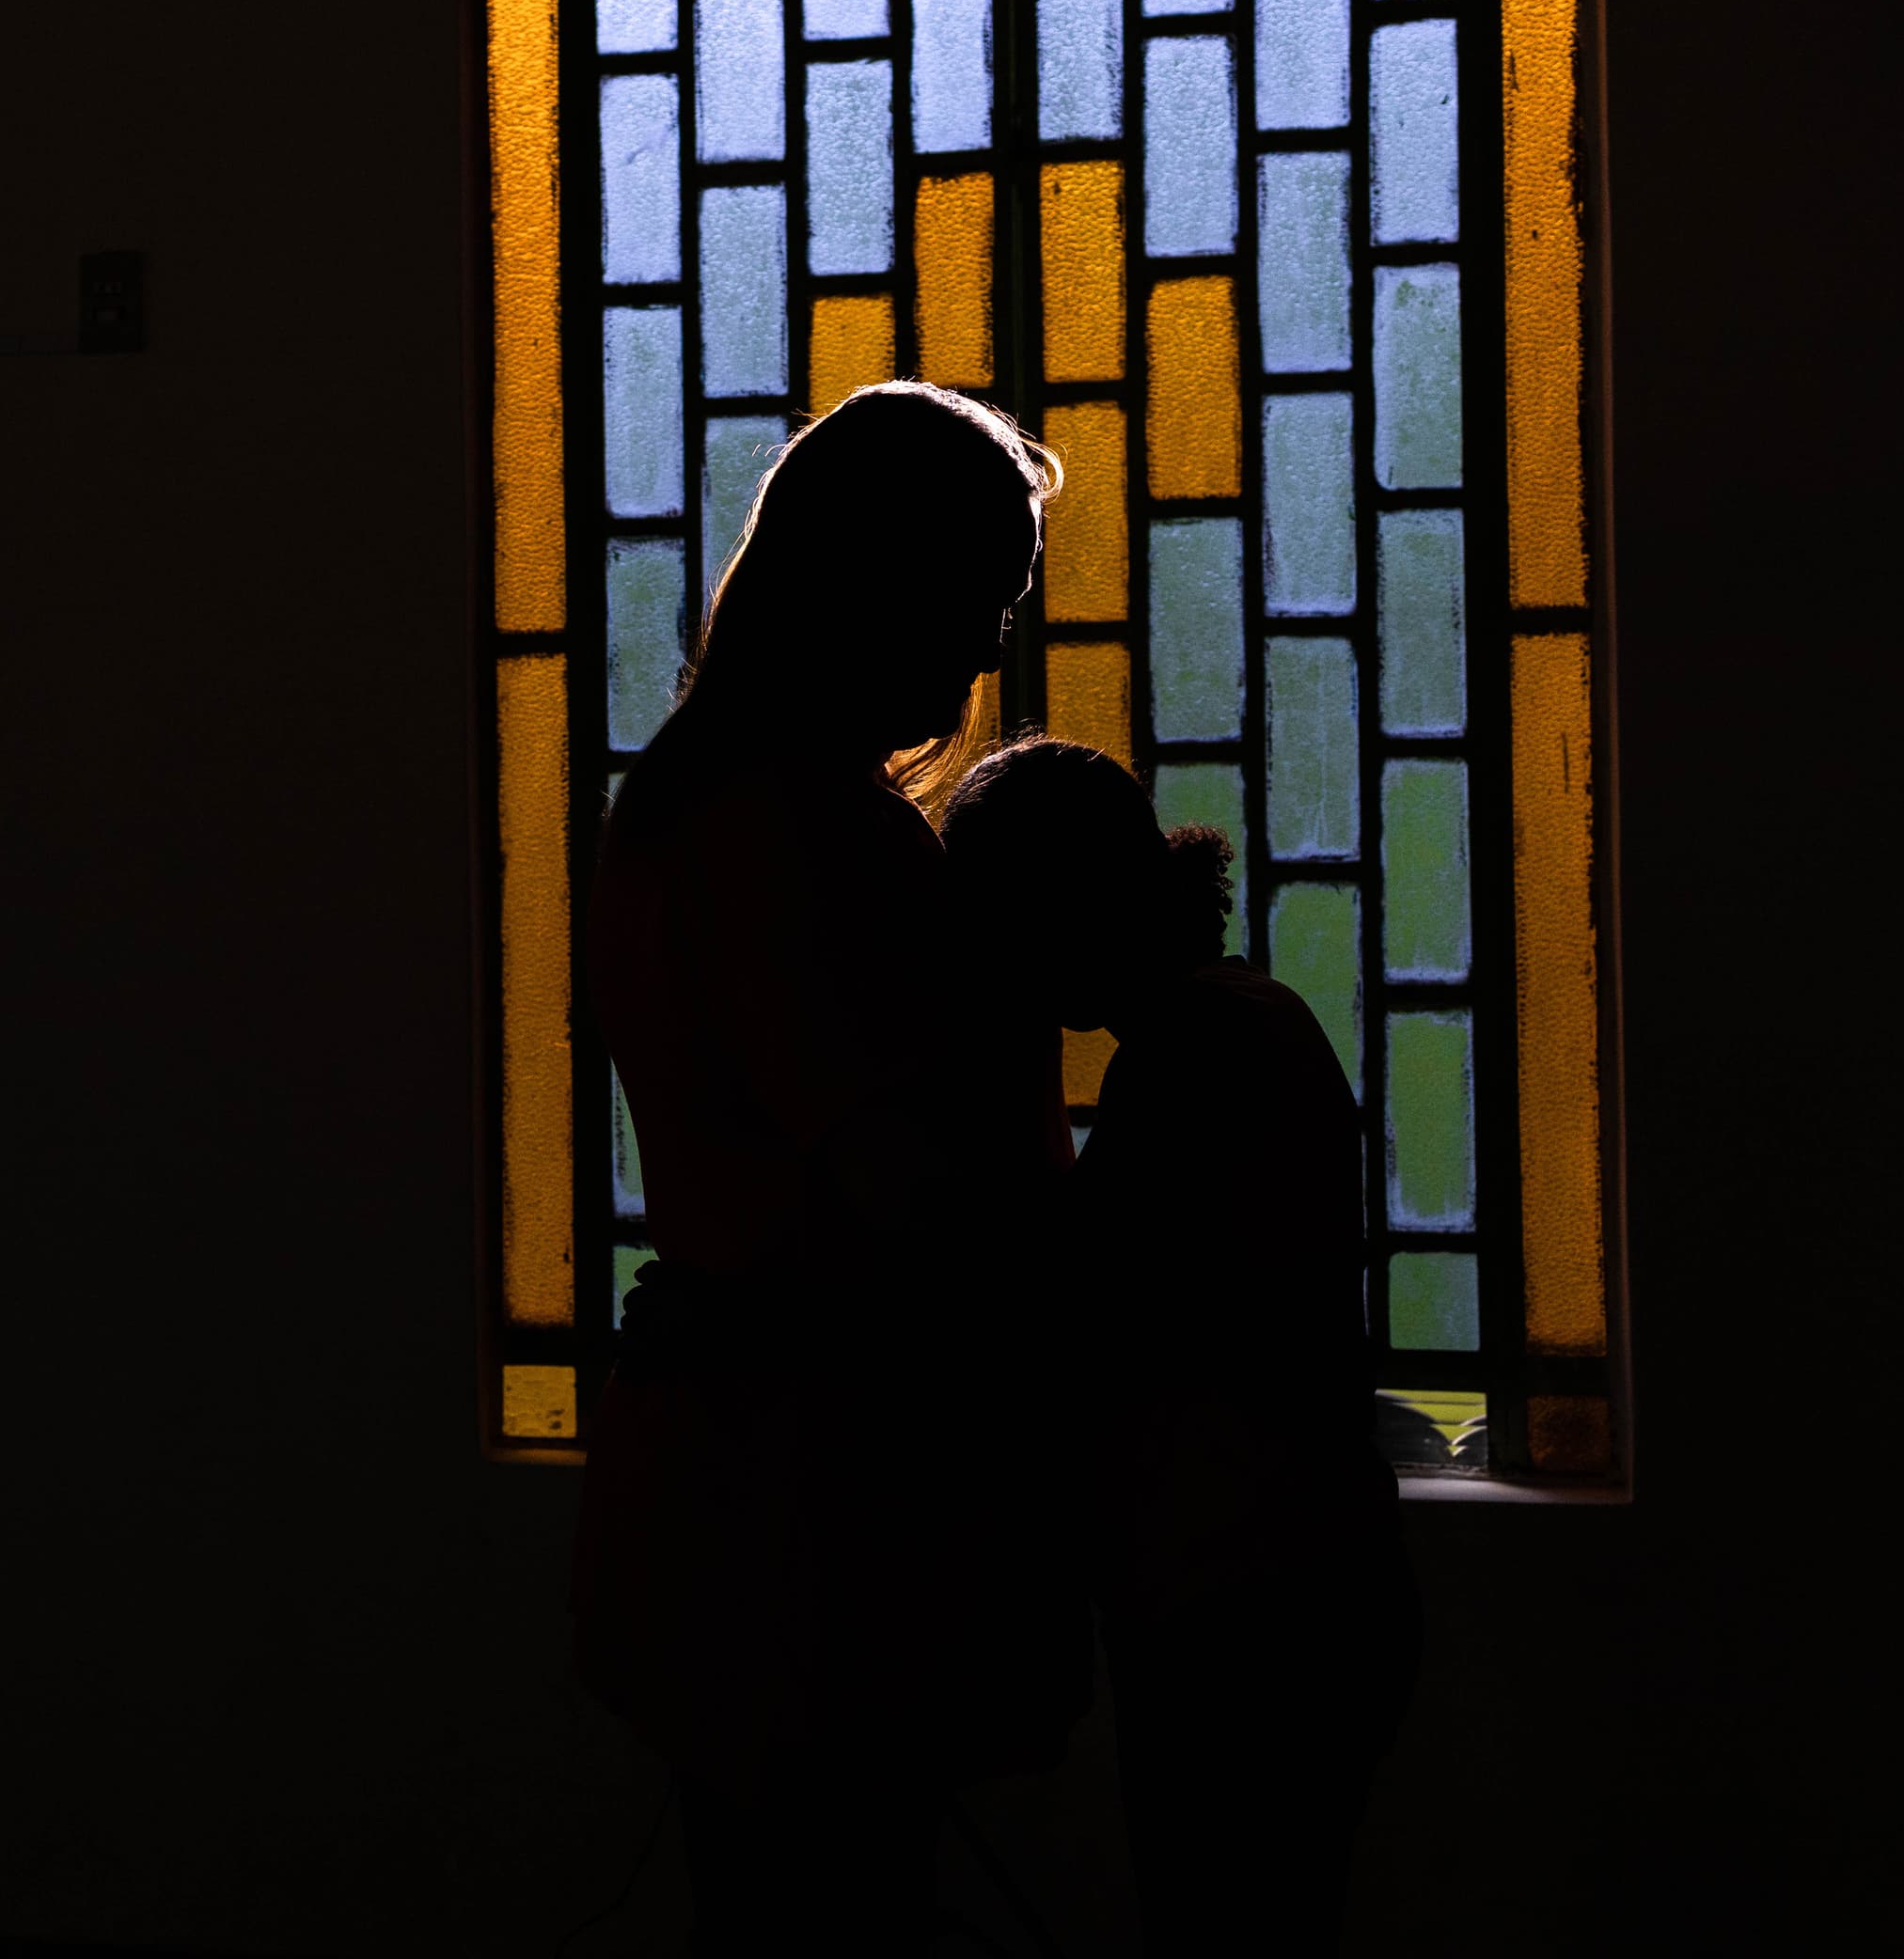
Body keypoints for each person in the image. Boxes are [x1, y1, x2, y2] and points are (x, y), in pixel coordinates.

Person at [571, 384, 1092, 1952]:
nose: (992, 649)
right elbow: (910, 1191)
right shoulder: (812, 835)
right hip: (831, 1519)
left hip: (722, 1499)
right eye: (979, 594)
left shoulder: (671, 809)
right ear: (876, 581)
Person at [939, 737, 1422, 1954]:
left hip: (1246, 1627)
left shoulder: (1198, 1056)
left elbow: (1067, 1313)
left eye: (1003, 925)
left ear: (1060, 908)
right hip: (1290, 1602)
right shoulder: (1240, 1024)